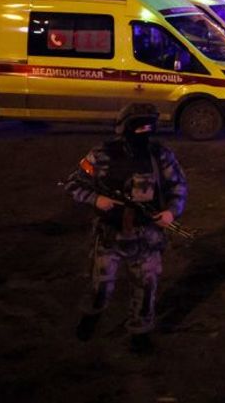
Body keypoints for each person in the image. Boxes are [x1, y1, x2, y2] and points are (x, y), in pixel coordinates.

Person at [64, 104, 188, 354]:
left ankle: (140, 332)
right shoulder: (101, 154)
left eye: (148, 127)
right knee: (100, 286)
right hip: (110, 234)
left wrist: (171, 212)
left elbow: (178, 186)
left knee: (146, 286)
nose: (143, 131)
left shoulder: (160, 155)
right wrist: (96, 200)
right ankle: (92, 314)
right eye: (138, 126)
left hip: (147, 236)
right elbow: (73, 183)